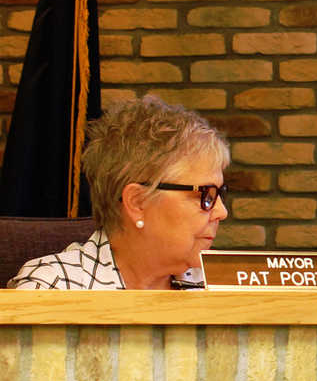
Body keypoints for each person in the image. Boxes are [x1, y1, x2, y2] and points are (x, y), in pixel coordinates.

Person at [8, 95, 229, 289]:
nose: (222, 212)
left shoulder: (224, 283)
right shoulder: (52, 288)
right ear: (137, 202)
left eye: (220, 194)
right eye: (206, 196)